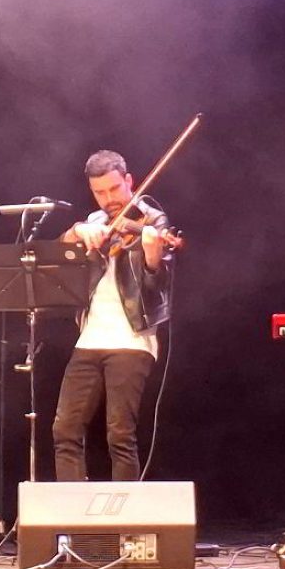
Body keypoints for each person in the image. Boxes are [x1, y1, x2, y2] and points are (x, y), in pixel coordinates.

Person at [52, 150, 173, 481]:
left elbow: (157, 282)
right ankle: (73, 507)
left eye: (115, 189)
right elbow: (59, 255)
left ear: (129, 181)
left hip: (132, 339)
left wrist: (152, 254)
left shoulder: (153, 220)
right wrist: (77, 231)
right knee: (65, 429)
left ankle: (126, 511)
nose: (109, 199)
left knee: (119, 434)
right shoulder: (95, 222)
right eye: (100, 193)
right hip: (90, 338)